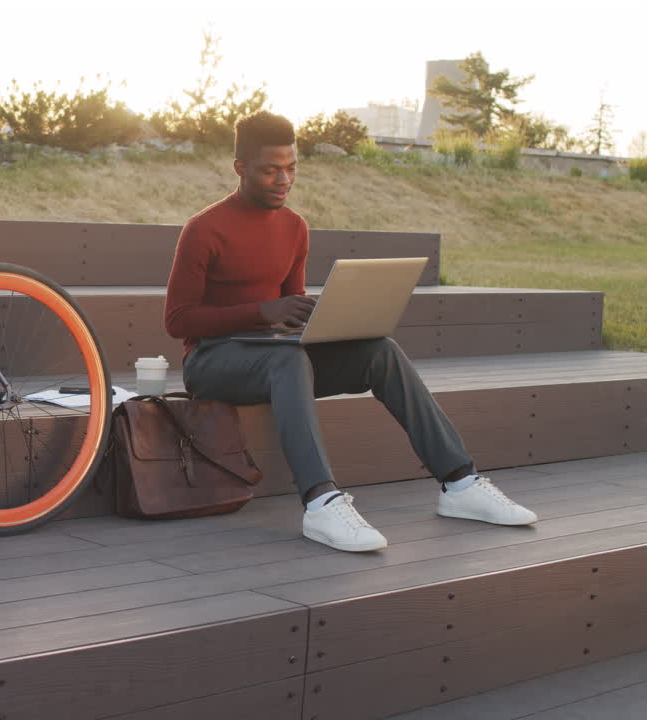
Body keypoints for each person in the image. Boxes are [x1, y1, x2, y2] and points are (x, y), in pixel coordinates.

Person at [163, 111, 537, 552]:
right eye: (270, 170)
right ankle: (322, 503)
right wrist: (263, 311)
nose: (284, 179)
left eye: (292, 167)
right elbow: (179, 320)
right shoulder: (204, 228)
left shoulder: (294, 227)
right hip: (212, 361)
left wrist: (321, 320)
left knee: (380, 351)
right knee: (287, 358)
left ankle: (460, 483)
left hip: (277, 354)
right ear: (240, 168)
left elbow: (291, 308)